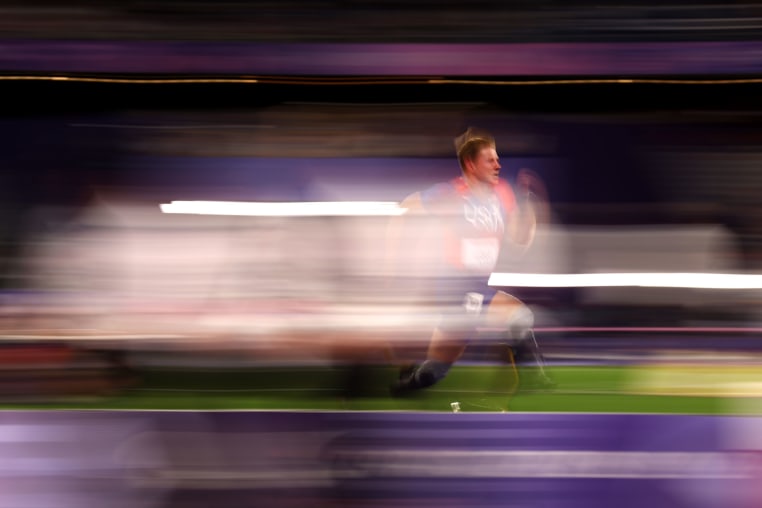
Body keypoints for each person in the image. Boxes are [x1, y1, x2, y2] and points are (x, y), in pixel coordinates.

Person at [387, 126, 553, 395]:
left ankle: (407, 385)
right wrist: (393, 257)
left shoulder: (503, 195)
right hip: (457, 288)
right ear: (471, 164)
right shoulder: (452, 193)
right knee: (520, 316)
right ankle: (536, 383)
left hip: (479, 286)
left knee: (436, 370)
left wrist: (532, 208)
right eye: (490, 159)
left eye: (498, 158)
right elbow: (406, 208)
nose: (498, 164)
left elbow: (519, 241)